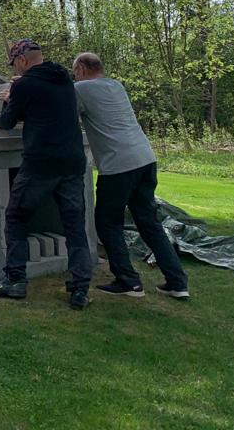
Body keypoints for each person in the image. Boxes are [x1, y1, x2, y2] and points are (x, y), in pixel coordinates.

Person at [0, 38, 93, 310]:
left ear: (21, 61)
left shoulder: (25, 84)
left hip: (41, 163)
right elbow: (43, 107)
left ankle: (15, 281)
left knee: (16, 216)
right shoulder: (64, 78)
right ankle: (80, 289)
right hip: (73, 162)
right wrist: (17, 94)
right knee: (75, 225)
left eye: (14, 64)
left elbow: (7, 122)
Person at [72, 52, 190, 300]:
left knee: (106, 222)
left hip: (118, 166)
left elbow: (64, 116)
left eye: (74, 71)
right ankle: (177, 282)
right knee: (149, 222)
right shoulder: (116, 86)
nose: (74, 76)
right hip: (145, 158)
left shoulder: (80, 89)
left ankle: (128, 281)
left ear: (81, 69)